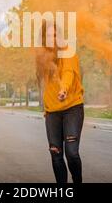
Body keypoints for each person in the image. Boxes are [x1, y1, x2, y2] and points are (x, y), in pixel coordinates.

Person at [36, 20, 84, 183]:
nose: (52, 39)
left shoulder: (68, 51)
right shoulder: (43, 57)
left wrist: (64, 89)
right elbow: (47, 86)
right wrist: (47, 107)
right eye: (48, 35)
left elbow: (69, 73)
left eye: (55, 35)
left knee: (71, 153)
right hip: (52, 112)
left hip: (72, 107)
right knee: (56, 154)